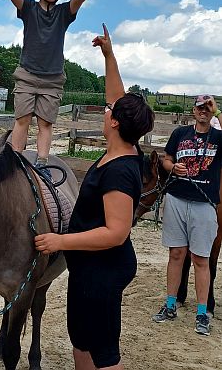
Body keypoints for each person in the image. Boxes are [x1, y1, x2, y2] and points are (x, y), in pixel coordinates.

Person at [35, 23, 154, 369]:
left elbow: (116, 233)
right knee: (81, 339)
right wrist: (109, 55)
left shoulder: (119, 171)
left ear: (115, 123)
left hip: (103, 269)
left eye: (108, 111)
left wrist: (61, 241)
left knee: (103, 351)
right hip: (88, 266)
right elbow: (116, 96)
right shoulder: (124, 147)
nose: (106, 110)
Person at [0, 0, 102, 170]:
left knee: (45, 123)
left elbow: (78, 0)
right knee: (22, 119)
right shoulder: (29, 8)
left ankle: (42, 163)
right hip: (27, 75)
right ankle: (16, 161)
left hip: (53, 79)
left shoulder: (64, 13)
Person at [152, 94, 222, 336]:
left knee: (201, 259)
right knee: (176, 254)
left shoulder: (218, 137)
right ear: (193, 110)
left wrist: (218, 111)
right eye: (200, 107)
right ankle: (170, 304)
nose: (203, 111)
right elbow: (167, 159)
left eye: (207, 108)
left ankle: (202, 312)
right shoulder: (180, 134)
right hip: (177, 199)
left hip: (204, 203)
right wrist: (172, 167)